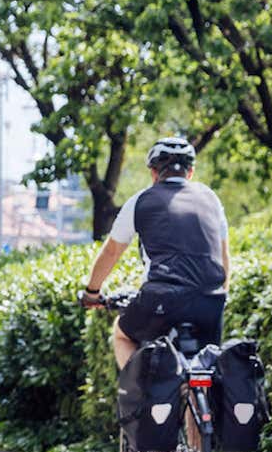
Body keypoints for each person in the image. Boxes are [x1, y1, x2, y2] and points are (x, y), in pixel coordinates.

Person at [79, 136, 230, 368]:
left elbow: (111, 252)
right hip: (211, 302)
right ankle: (199, 403)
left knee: (121, 333)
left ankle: (141, 391)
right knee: (204, 368)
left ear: (153, 172)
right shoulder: (211, 199)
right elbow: (223, 258)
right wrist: (221, 296)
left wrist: (92, 292)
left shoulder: (141, 200)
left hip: (162, 299)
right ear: (190, 172)